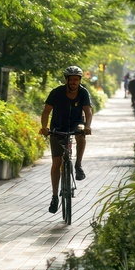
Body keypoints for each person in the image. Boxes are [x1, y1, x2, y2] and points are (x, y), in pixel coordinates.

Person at [40, 65, 93, 214]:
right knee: (57, 163)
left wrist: (88, 126)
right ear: (66, 80)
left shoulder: (83, 93)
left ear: (79, 80)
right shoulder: (56, 93)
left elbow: (88, 111)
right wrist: (44, 127)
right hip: (58, 126)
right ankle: (55, 196)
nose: (74, 83)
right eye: (71, 80)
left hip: (77, 123)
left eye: (76, 80)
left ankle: (78, 165)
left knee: (81, 133)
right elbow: (46, 111)